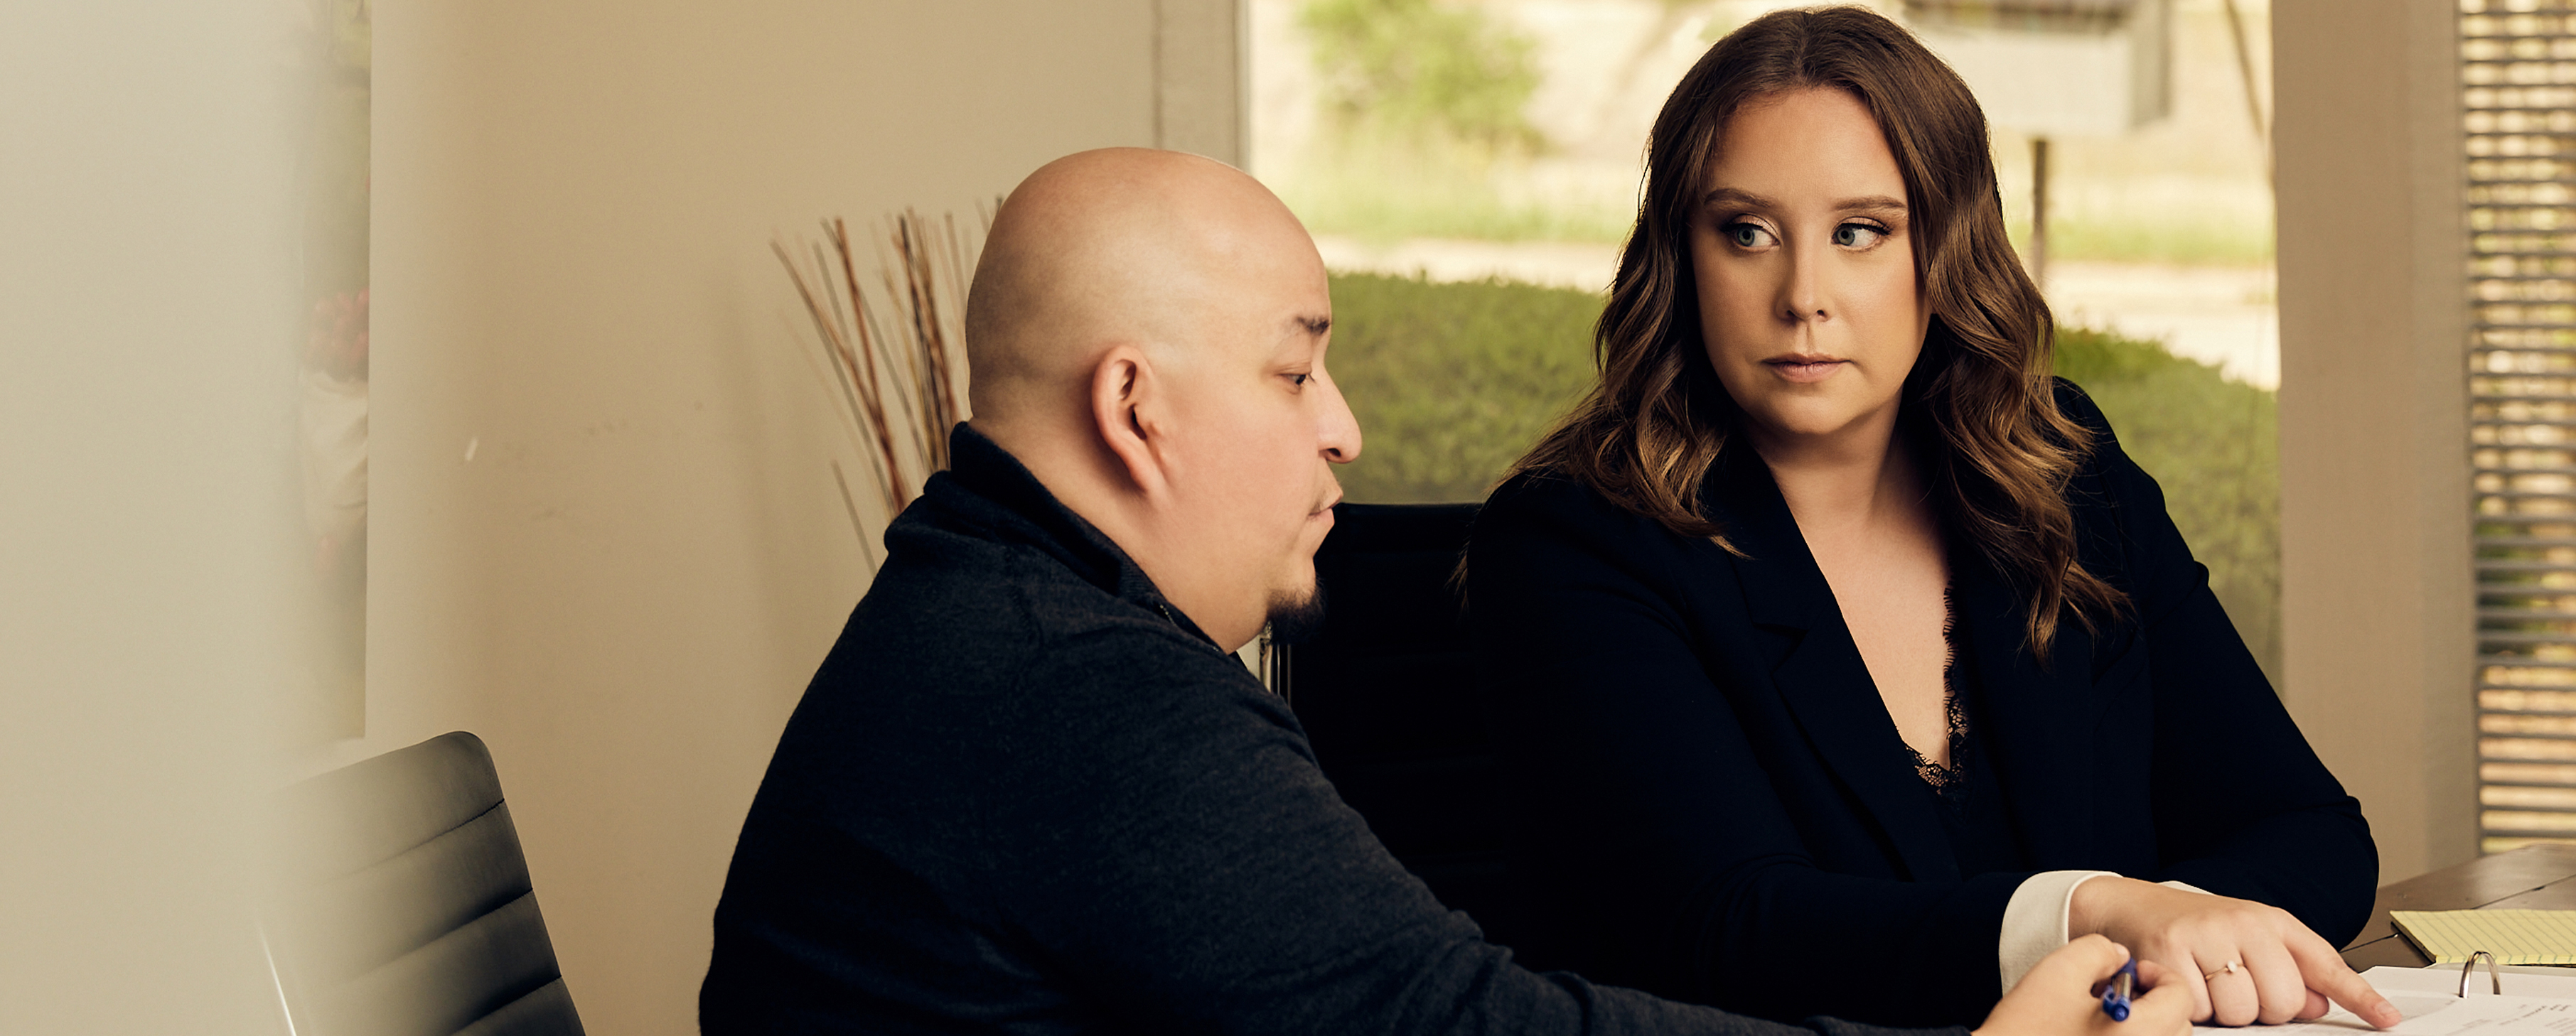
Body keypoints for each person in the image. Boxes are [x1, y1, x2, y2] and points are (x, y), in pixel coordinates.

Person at [697, 146, 2198, 1036]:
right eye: (1295, 369)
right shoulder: (1083, 693)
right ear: (1134, 407)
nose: (1343, 426)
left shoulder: (989, 610)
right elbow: (1453, 1026)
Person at [1460, 9, 2400, 1034]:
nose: (1803, 296)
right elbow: (1723, 930)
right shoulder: (1572, 541)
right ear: (1684, 258)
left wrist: (2167, 947)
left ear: (1946, 249)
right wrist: (2092, 917)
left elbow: (2307, 830)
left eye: (1860, 231)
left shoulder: (2062, 471)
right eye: (1746, 232)